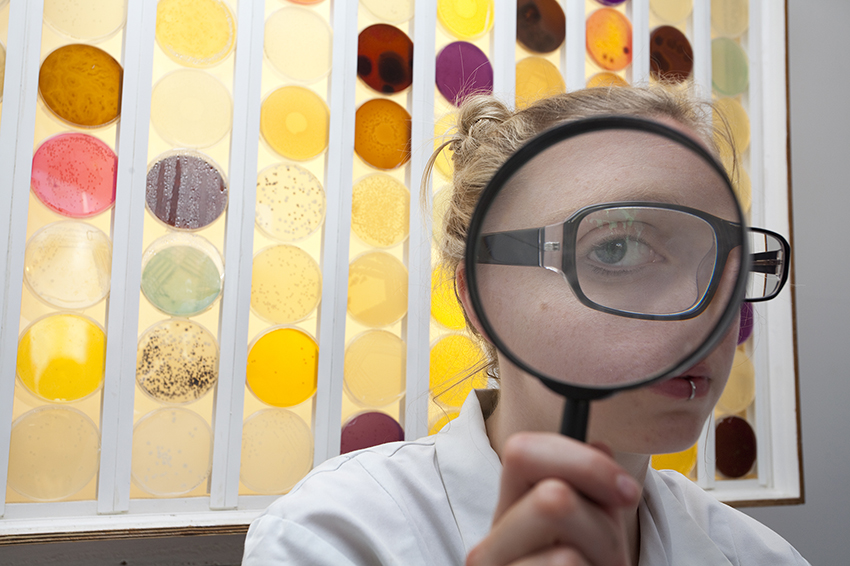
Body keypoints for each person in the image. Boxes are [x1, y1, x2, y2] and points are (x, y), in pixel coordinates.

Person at [242, 86, 808, 565]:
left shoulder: (758, 555)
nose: (706, 314)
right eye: (615, 250)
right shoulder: (334, 537)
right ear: (479, 298)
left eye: (725, 265)